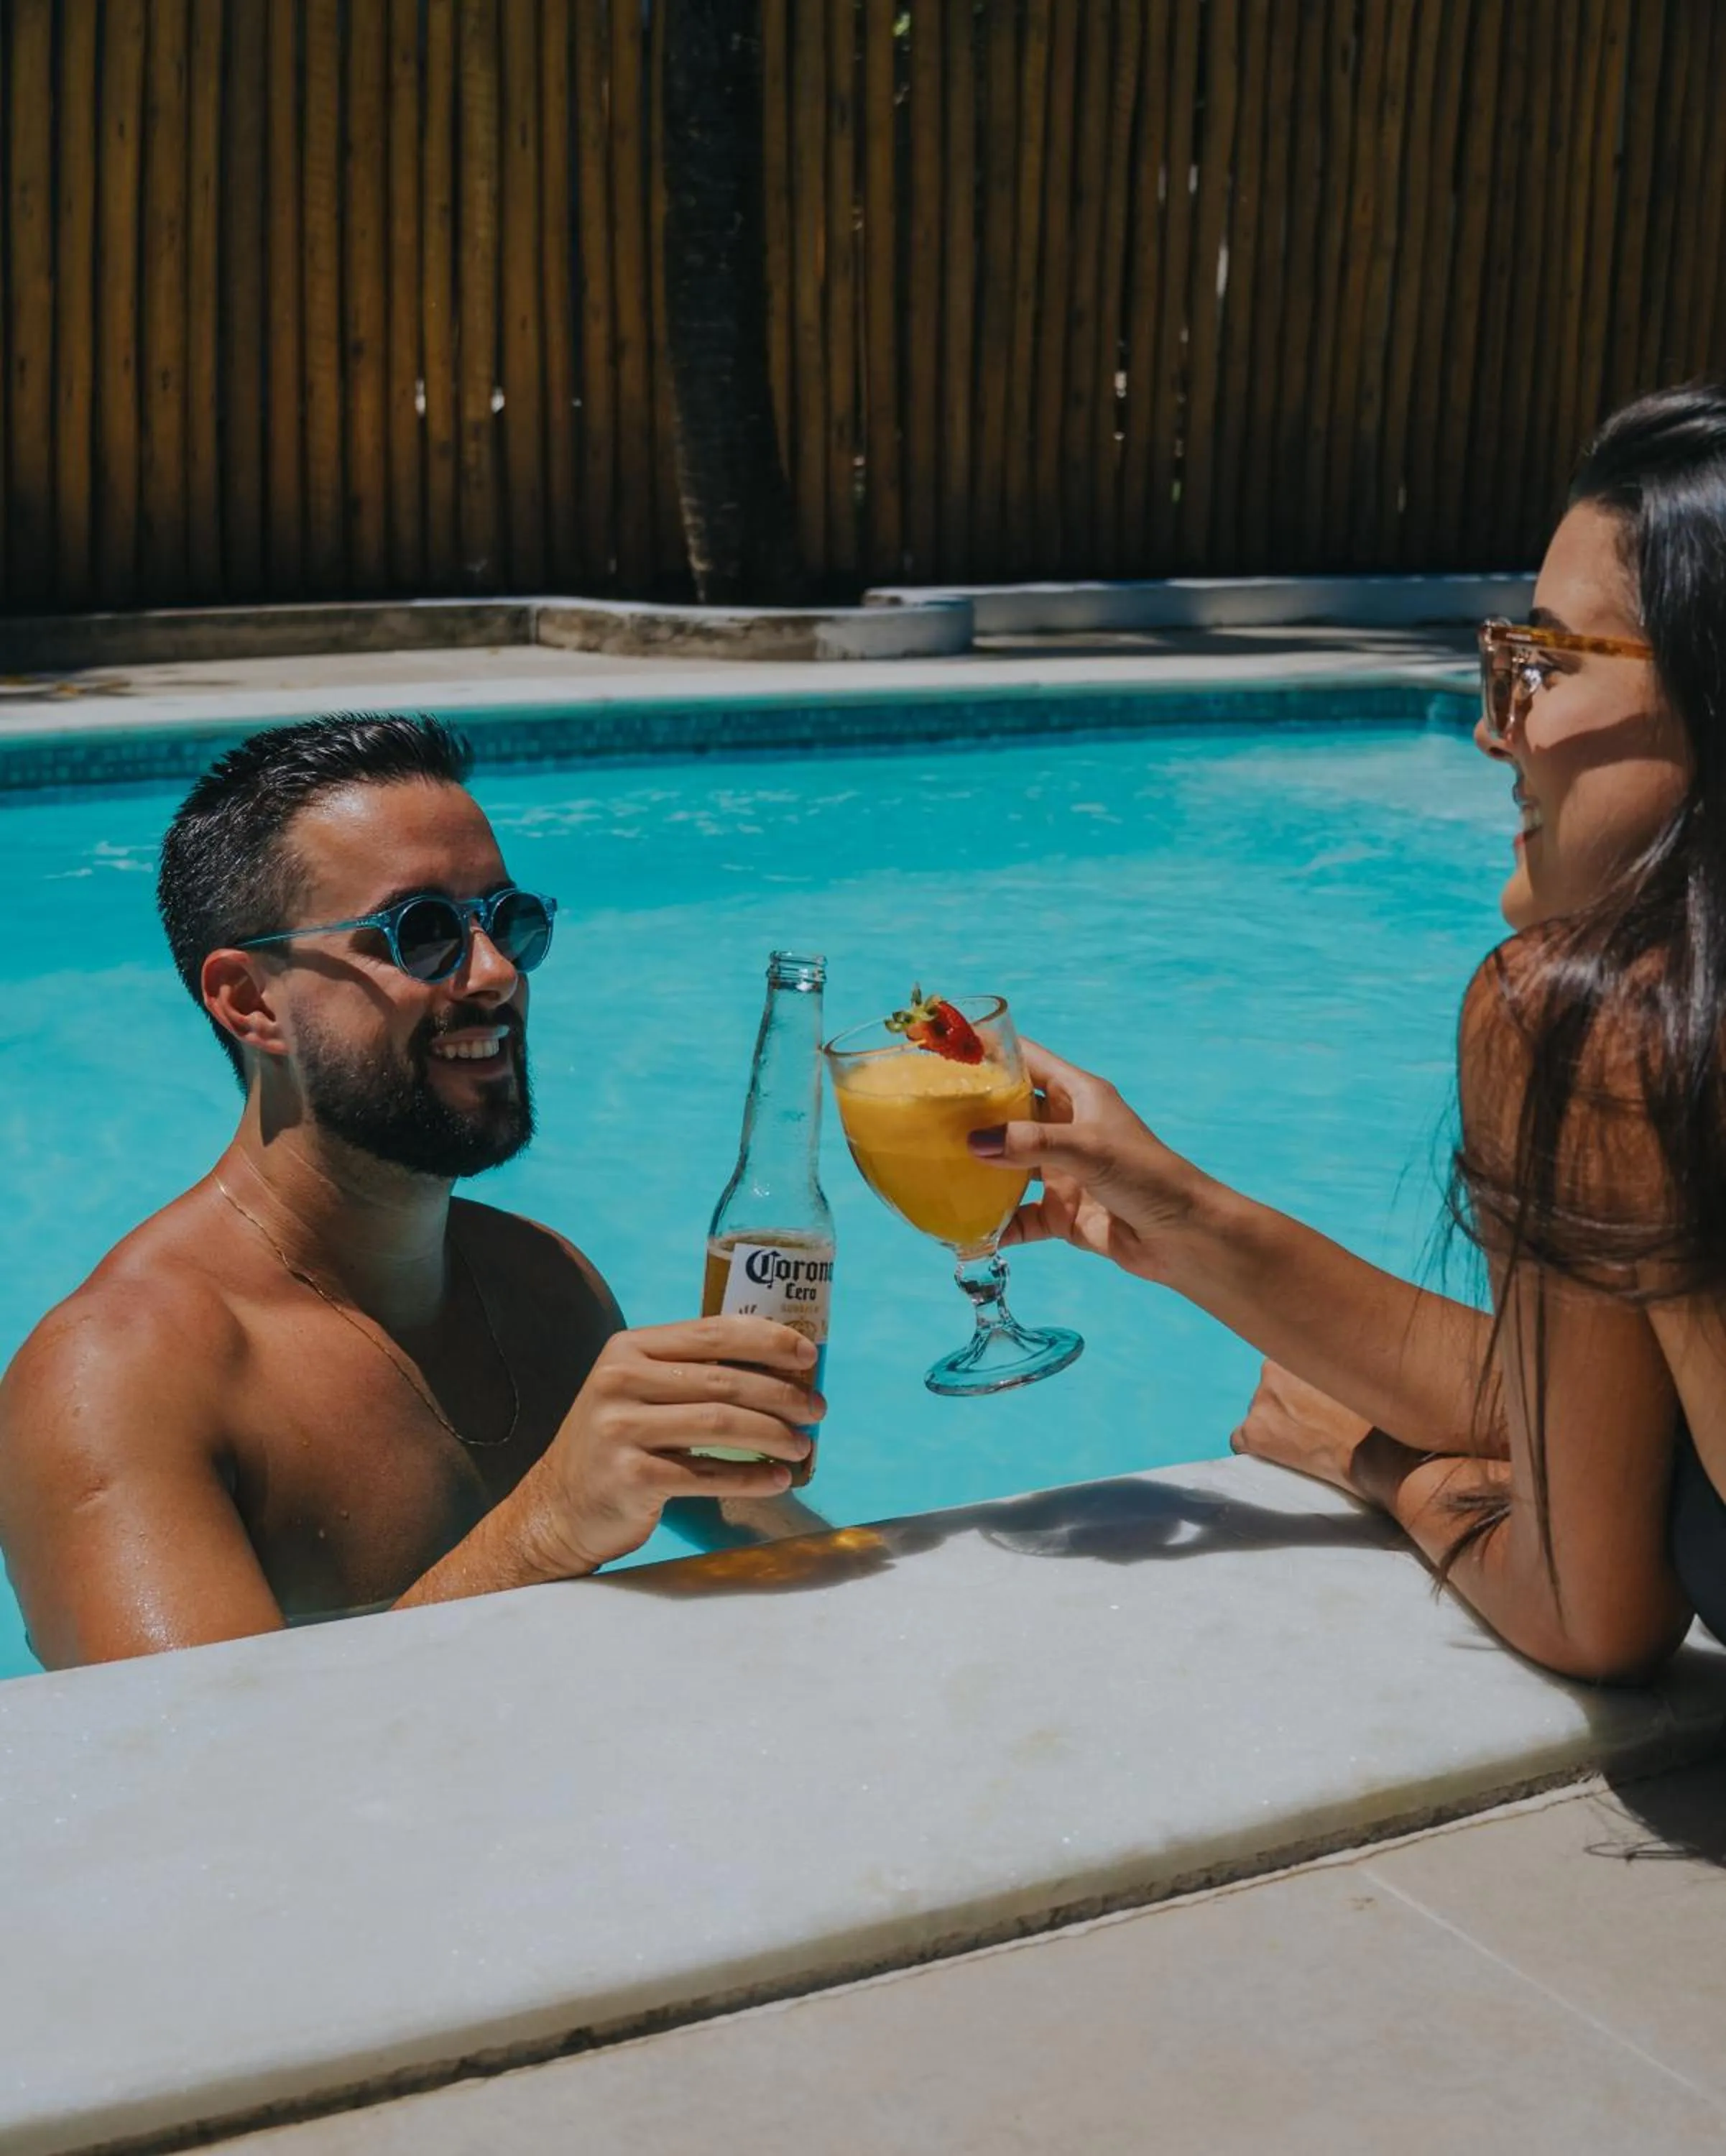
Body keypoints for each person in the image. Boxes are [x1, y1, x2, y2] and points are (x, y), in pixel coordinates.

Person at [970, 384, 1726, 1685]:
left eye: (1541, 663)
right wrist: (1187, 1219)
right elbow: (1598, 1425)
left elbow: (1588, 1605)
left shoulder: (1599, 1026)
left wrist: (1365, 1459)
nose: (1495, 725)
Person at [0, 715, 825, 1668]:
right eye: (421, 932)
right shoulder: (121, 1379)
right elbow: (204, 1787)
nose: (496, 972)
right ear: (249, 1000)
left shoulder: (544, 1284)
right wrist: (543, 1532)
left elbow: (805, 1564)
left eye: (508, 921)